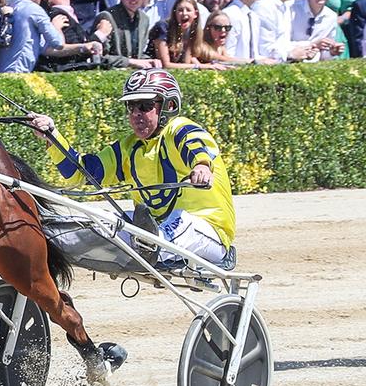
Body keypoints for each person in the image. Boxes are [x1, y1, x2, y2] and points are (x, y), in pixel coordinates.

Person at [27, 69, 236, 267]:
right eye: (131, 107)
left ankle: (147, 244)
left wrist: (201, 166)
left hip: (207, 232)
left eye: (145, 106)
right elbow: (79, 173)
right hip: (151, 233)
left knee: (178, 223)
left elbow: (197, 143)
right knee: (91, 223)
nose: (136, 114)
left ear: (169, 106)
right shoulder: (128, 147)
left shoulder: (179, 129)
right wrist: (53, 138)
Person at [0, 0, 97, 74]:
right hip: (18, 71)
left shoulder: (11, 6)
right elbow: (58, 43)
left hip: (4, 70)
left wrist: (82, 47)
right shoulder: (35, 10)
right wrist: (56, 27)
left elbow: (46, 49)